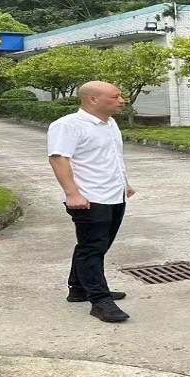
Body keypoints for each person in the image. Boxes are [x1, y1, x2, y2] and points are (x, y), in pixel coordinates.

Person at [47, 81, 135, 323]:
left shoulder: (110, 123)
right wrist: (72, 194)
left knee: (96, 245)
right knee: (92, 248)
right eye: (115, 96)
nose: (122, 101)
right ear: (92, 99)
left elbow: (111, 157)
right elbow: (58, 159)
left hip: (114, 194)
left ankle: (78, 288)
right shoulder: (68, 125)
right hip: (89, 198)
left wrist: (124, 183)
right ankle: (100, 300)